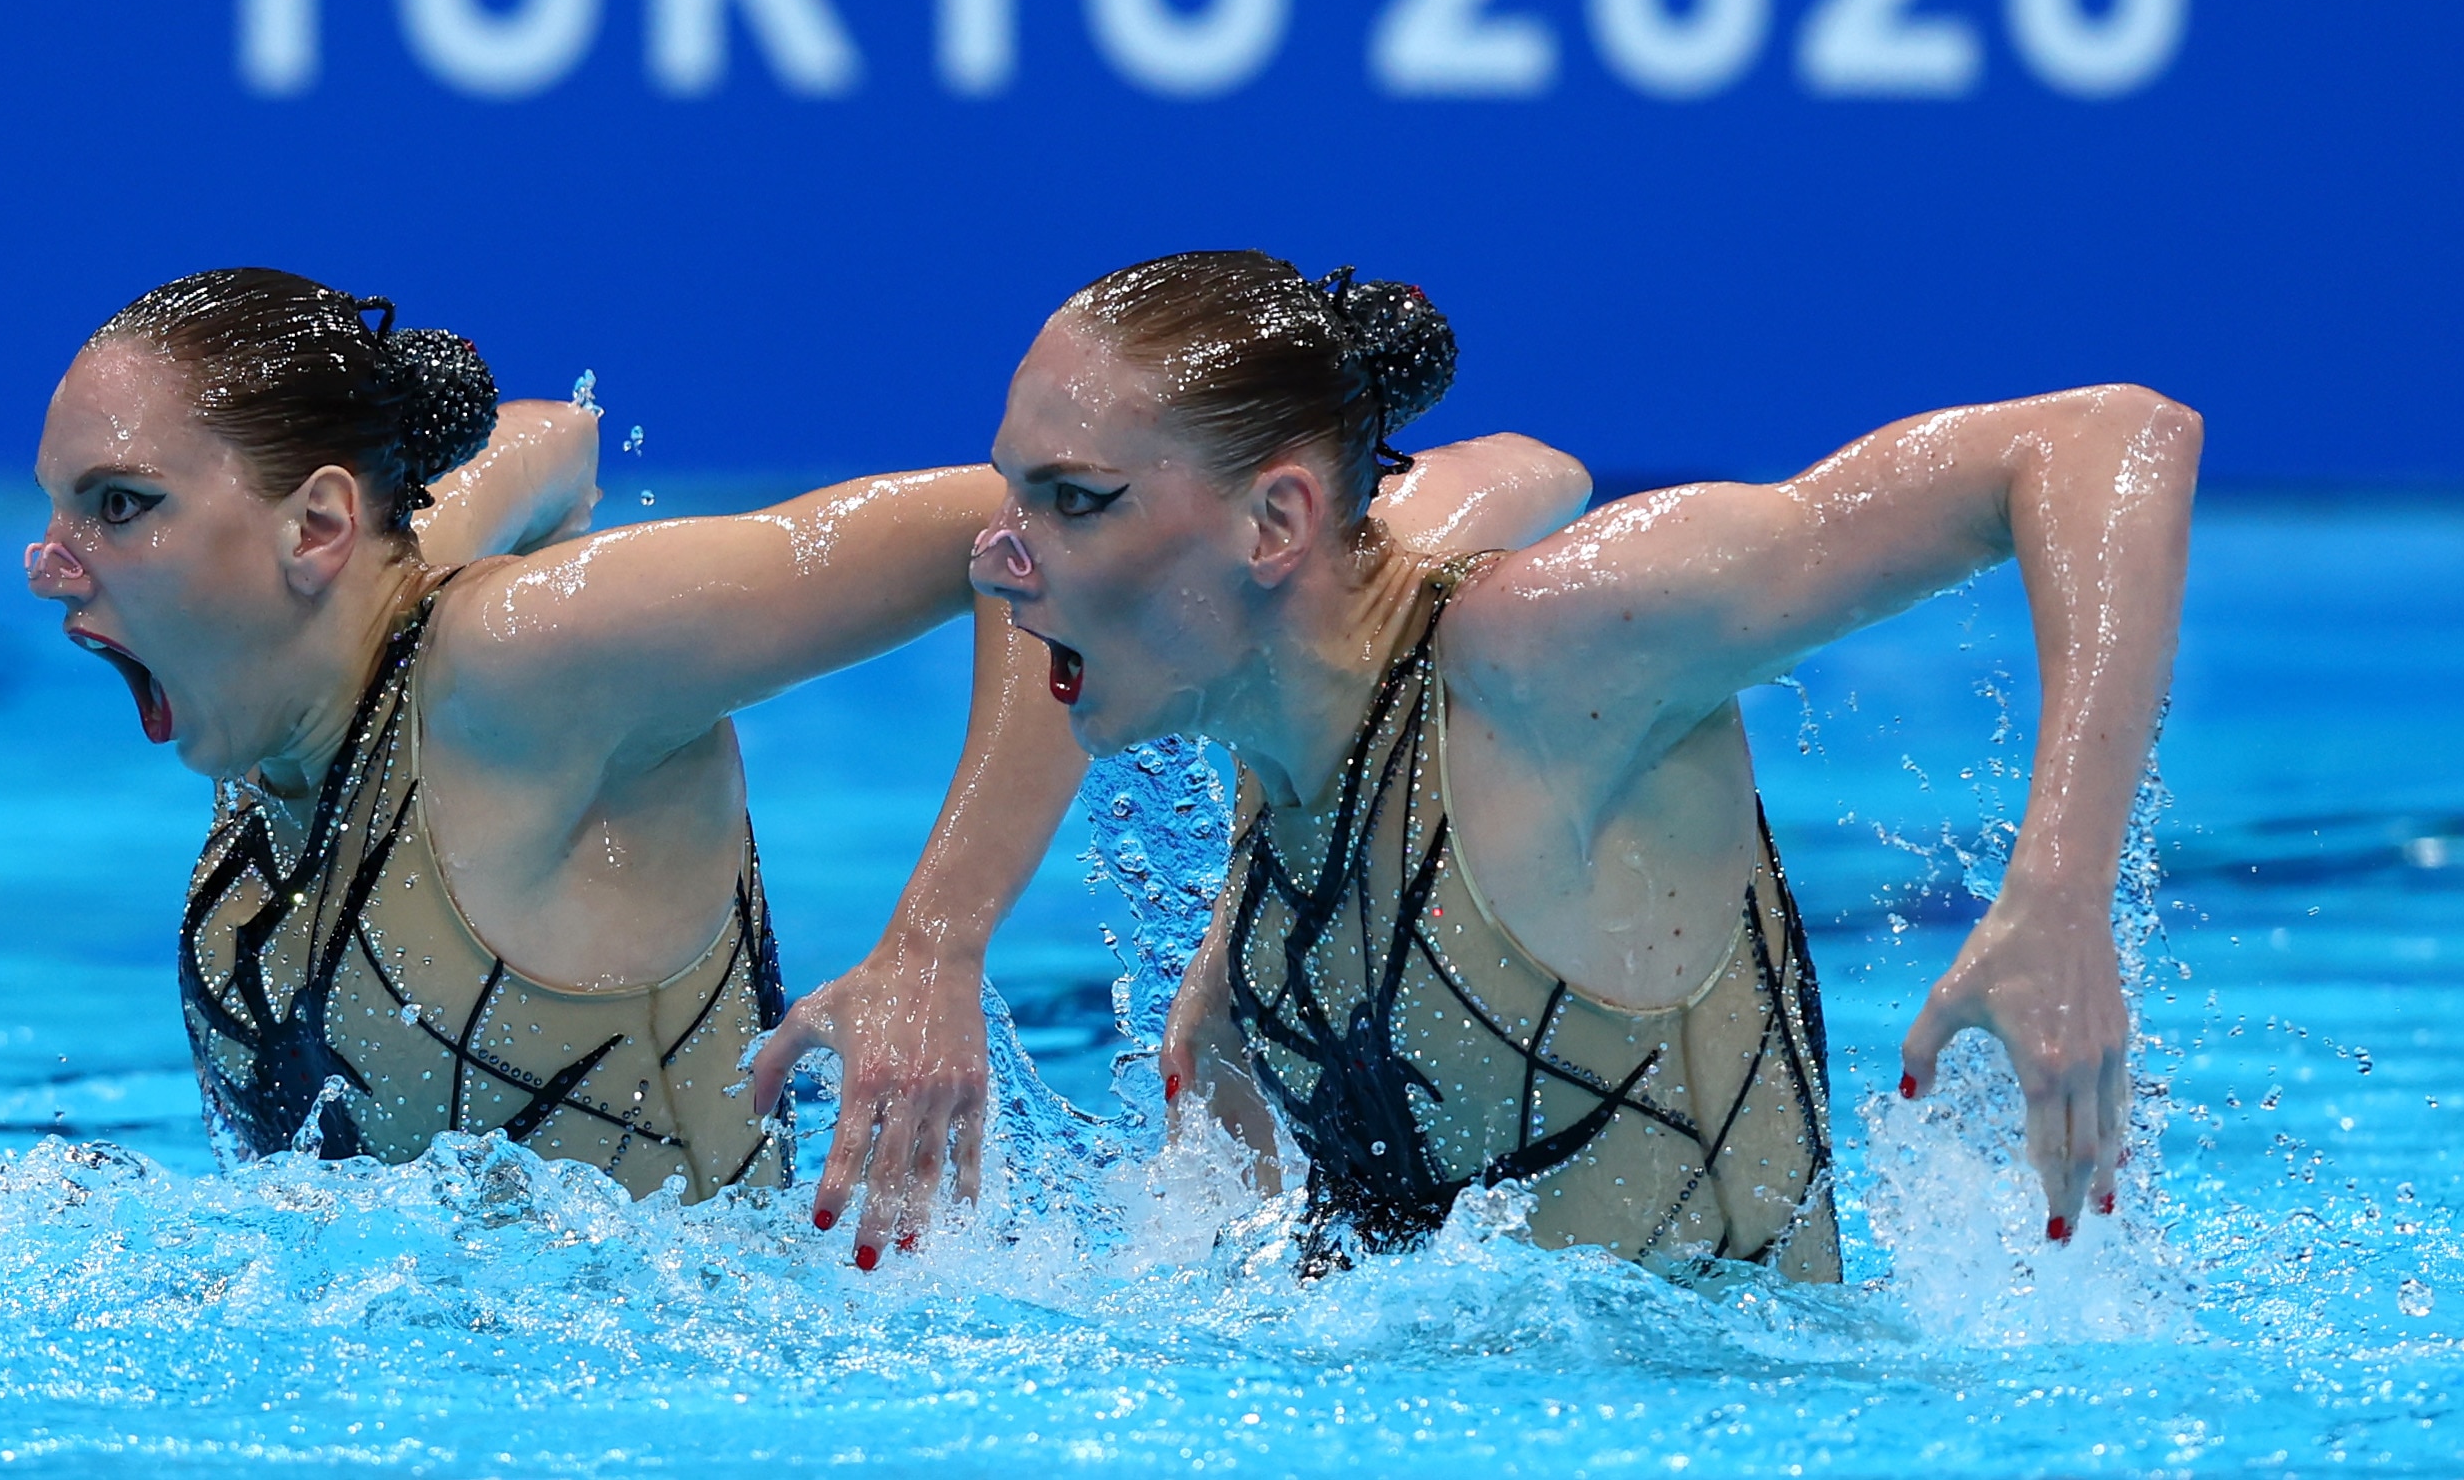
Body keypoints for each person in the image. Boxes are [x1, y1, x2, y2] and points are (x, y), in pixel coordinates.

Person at [24, 266, 1588, 1260]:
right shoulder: (278, 704)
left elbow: (999, 534)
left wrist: (935, 945)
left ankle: (1409, 535)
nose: (48, 563)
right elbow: (547, 436)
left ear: (313, 526)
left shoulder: (520, 665)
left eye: (117, 507)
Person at [879, 249, 2196, 1272]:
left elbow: (2101, 438)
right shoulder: (1279, 704)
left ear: (1275, 522)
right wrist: (1237, 951)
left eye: (1075, 501)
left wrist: (2059, 897)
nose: (997, 558)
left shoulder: (1545, 663)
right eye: (1013, 494)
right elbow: (1521, 465)